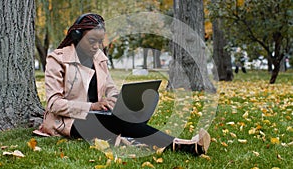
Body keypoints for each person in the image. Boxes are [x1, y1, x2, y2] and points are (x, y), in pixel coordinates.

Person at [33, 13, 211, 156]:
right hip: (68, 120)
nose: (97, 47)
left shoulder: (99, 58)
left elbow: (110, 88)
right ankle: (182, 145)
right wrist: (92, 106)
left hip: (99, 114)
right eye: (92, 41)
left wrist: (117, 101)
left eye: (100, 41)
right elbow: (53, 104)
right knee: (117, 125)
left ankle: (156, 141)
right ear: (77, 36)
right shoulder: (57, 59)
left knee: (134, 110)